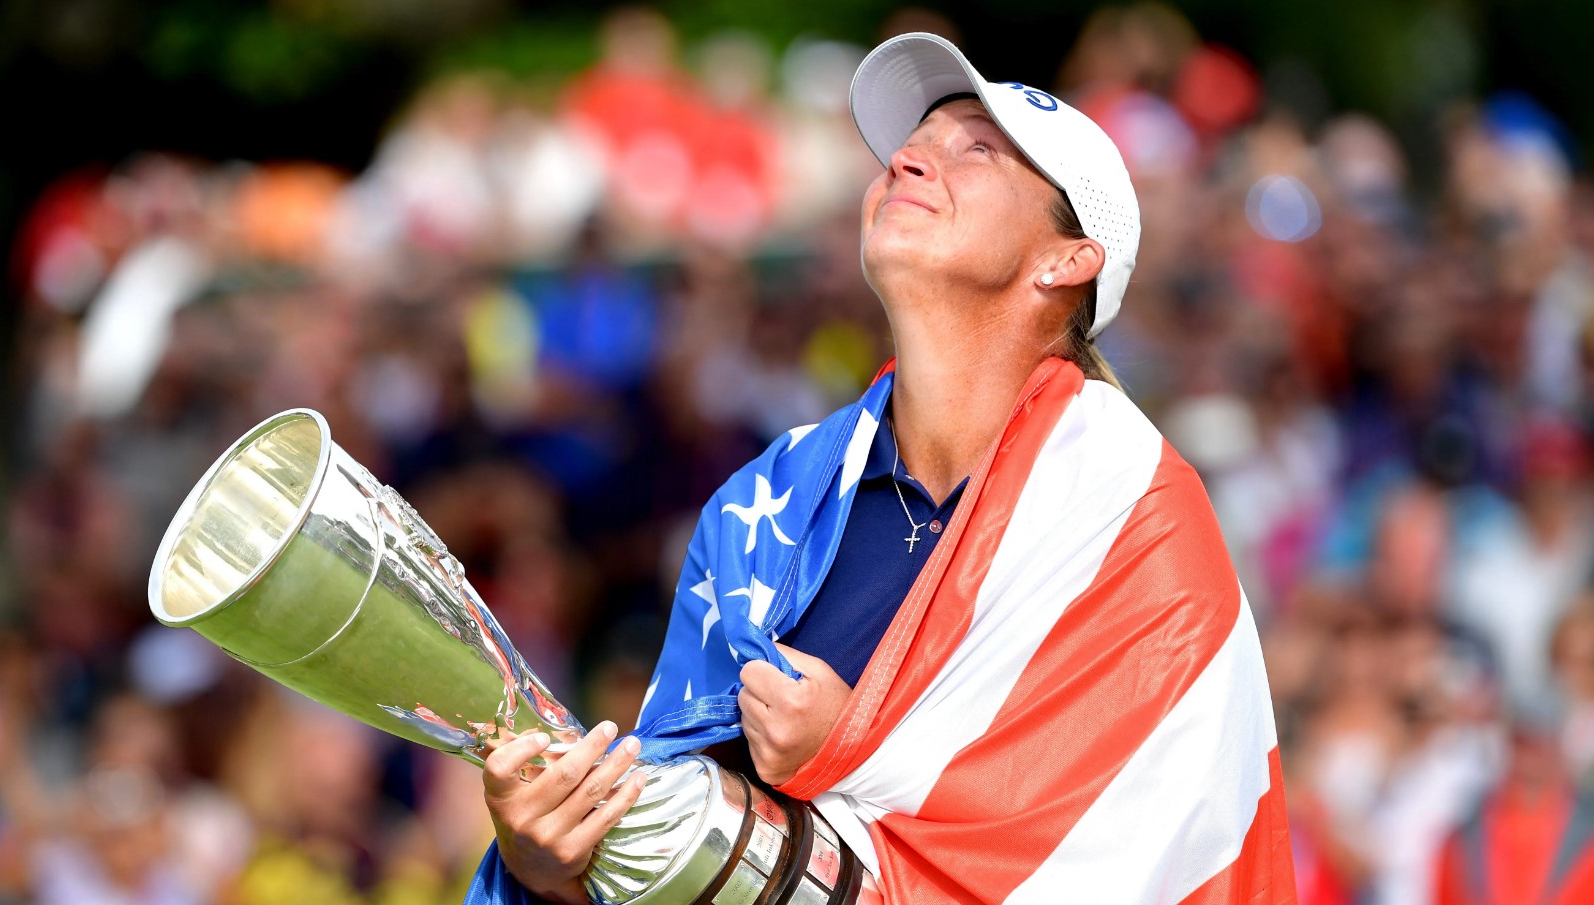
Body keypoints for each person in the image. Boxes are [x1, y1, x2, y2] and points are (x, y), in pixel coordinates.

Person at [471, 32, 1295, 905]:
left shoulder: (1134, 511)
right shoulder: (765, 500)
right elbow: (674, 841)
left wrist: (853, 743)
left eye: (975, 150)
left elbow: (1136, 858)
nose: (908, 158)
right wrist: (551, 865)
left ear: (1067, 260)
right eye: (911, 143)